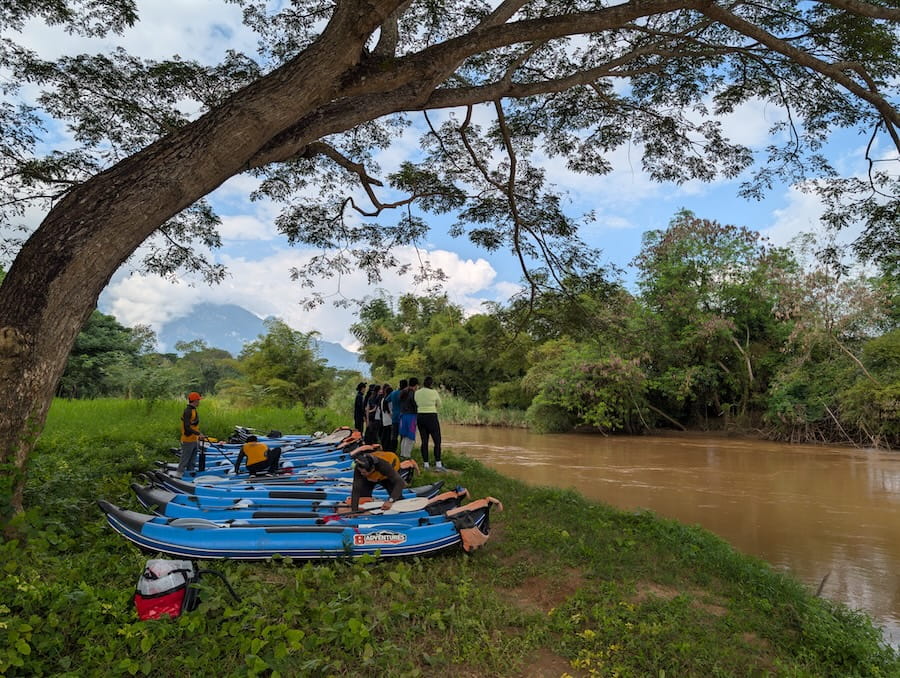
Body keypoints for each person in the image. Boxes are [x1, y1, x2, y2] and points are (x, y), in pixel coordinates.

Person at [416, 376, 444, 471]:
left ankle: (426, 464)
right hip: (431, 416)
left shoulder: (417, 392)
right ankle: (438, 464)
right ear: (431, 384)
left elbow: (416, 402)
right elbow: (439, 404)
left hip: (420, 416)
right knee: (437, 441)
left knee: (424, 441)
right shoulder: (434, 392)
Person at [174, 391, 204, 478]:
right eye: (198, 400)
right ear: (195, 401)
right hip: (187, 440)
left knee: (192, 461)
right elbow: (187, 427)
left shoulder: (194, 410)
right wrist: (198, 433)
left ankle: (189, 475)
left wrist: (198, 434)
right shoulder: (187, 411)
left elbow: (194, 425)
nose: (199, 402)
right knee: (185, 459)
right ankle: (178, 475)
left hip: (194, 439)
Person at [398, 377, 419, 459]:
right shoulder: (412, 393)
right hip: (411, 417)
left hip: (403, 417)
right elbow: (414, 405)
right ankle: (407, 455)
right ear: (416, 385)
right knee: (410, 437)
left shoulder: (403, 392)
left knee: (404, 436)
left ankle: (402, 454)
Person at [387, 378, 406, 452]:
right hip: (403, 417)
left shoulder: (393, 393)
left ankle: (393, 451)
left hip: (394, 416)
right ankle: (402, 451)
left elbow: (385, 401)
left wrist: (389, 412)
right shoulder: (405, 393)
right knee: (403, 436)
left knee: (394, 436)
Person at [379, 384, 394, 451]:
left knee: (385, 435)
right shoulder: (389, 401)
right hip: (390, 420)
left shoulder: (383, 399)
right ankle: (387, 448)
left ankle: (384, 447)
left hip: (385, 420)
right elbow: (390, 411)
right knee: (388, 436)